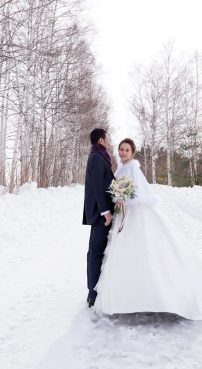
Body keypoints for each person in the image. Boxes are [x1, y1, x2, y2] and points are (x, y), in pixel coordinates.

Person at [94, 138, 202, 320]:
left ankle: (155, 296)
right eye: (121, 149)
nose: (123, 152)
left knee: (146, 250)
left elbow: (140, 191)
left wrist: (126, 199)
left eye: (127, 150)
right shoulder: (119, 169)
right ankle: (131, 296)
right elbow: (117, 192)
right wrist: (118, 199)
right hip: (125, 215)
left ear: (132, 152)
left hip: (137, 213)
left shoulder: (134, 167)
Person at [83, 128, 115, 308]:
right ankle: (93, 294)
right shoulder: (96, 157)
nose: (109, 142)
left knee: (96, 252)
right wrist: (105, 212)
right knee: (95, 253)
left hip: (101, 213)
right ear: (101, 140)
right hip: (100, 215)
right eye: (107, 139)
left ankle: (93, 292)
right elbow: (97, 186)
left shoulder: (99, 156)